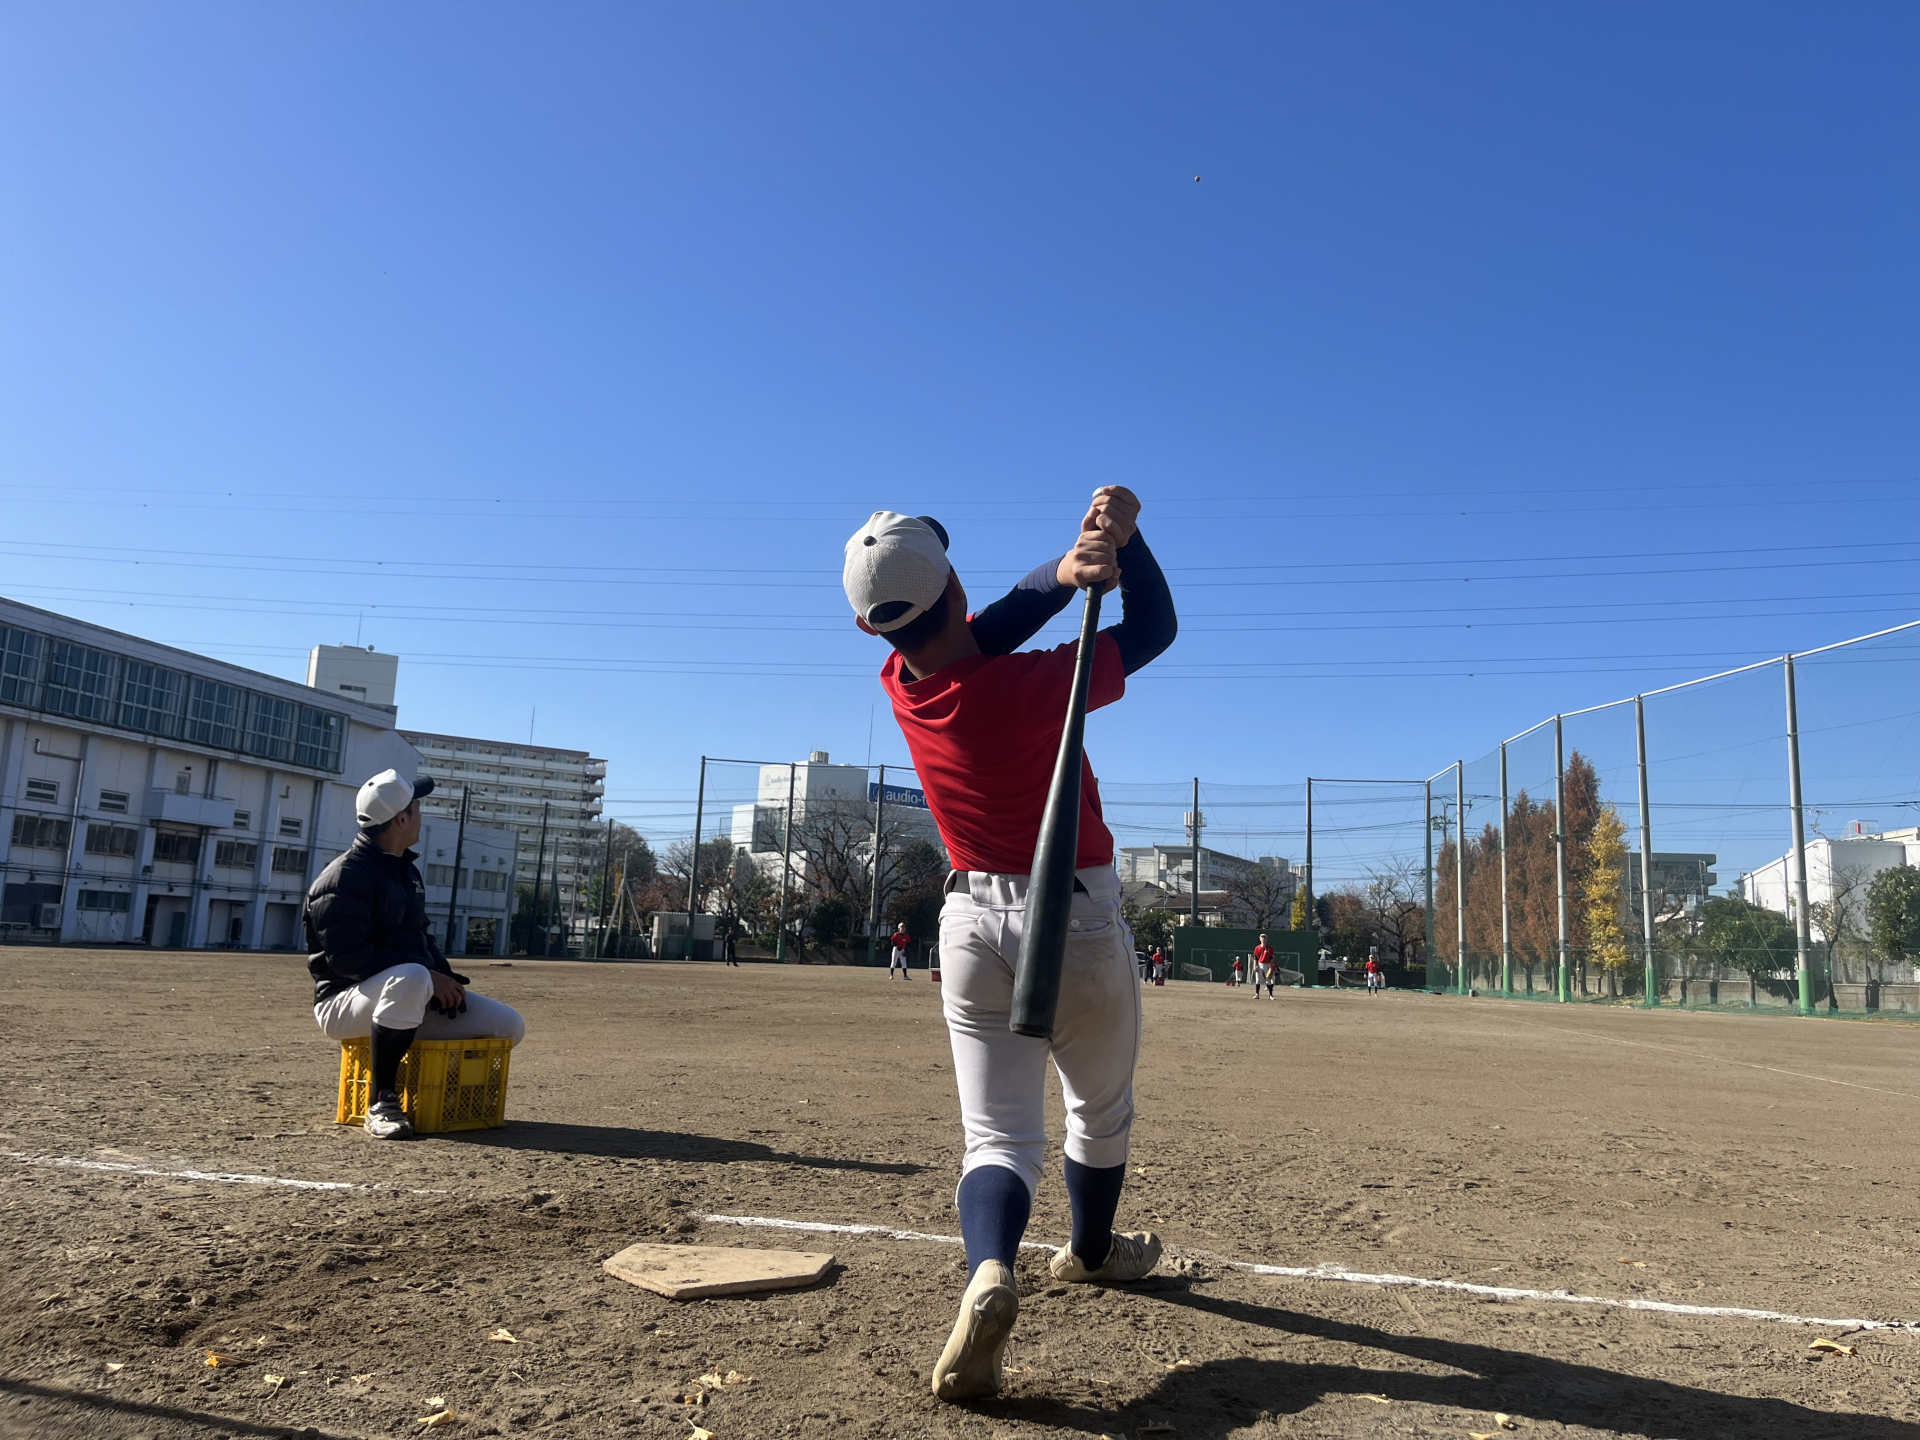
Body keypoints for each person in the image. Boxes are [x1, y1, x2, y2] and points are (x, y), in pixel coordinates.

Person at [844, 488, 1176, 1403]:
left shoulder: (902, 684)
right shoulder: (1036, 687)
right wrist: (1131, 547)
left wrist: (1067, 572)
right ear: (952, 586)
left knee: (996, 1137)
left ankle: (990, 1270)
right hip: (1075, 913)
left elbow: (983, 627)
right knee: (1098, 1112)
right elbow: (1153, 633)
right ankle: (1095, 1250)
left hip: (968, 922)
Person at [306, 769, 526, 1141]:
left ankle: (438, 1090)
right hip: (343, 1002)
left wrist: (444, 976)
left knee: (508, 1026)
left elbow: (420, 938)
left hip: (404, 993)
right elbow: (347, 959)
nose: (422, 816)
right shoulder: (343, 879)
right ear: (401, 819)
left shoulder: (404, 871)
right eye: (417, 809)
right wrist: (427, 977)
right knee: (411, 976)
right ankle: (382, 1102)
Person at [1251, 933, 1276, 999]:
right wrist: (1255, 966)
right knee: (1258, 980)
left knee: (1268, 980)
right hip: (1259, 964)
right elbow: (1255, 958)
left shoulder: (1270, 948)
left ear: (1266, 939)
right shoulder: (1257, 948)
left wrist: (1271, 966)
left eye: (1264, 938)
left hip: (1267, 964)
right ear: (1260, 939)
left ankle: (1271, 995)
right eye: (1262, 937)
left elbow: (1271, 958)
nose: (1263, 939)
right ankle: (1257, 994)